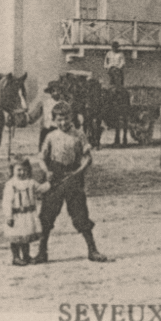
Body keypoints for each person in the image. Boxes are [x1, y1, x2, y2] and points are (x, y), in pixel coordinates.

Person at [31, 103, 109, 264]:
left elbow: (88, 158)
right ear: (54, 120)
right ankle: (42, 252)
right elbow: (41, 158)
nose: (63, 123)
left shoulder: (79, 135)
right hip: (55, 177)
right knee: (47, 215)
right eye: (59, 119)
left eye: (66, 119)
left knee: (80, 213)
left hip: (74, 175)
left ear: (71, 117)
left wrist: (79, 171)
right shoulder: (51, 136)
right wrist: (47, 171)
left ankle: (92, 250)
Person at [3, 158, 41, 266]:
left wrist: (51, 183)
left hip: (28, 215)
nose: (22, 172)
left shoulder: (31, 182)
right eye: (19, 170)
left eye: (25, 170)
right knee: (15, 237)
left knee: (25, 237)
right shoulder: (11, 184)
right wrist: (9, 216)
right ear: (12, 170)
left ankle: (26, 256)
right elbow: (6, 202)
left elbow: (41, 188)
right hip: (16, 216)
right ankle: (16, 257)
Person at [25, 81, 62, 150]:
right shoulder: (44, 103)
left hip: (60, 132)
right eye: (53, 90)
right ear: (50, 92)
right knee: (44, 152)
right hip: (46, 131)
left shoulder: (64, 104)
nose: (56, 93)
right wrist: (24, 118)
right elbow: (33, 117)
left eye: (58, 90)